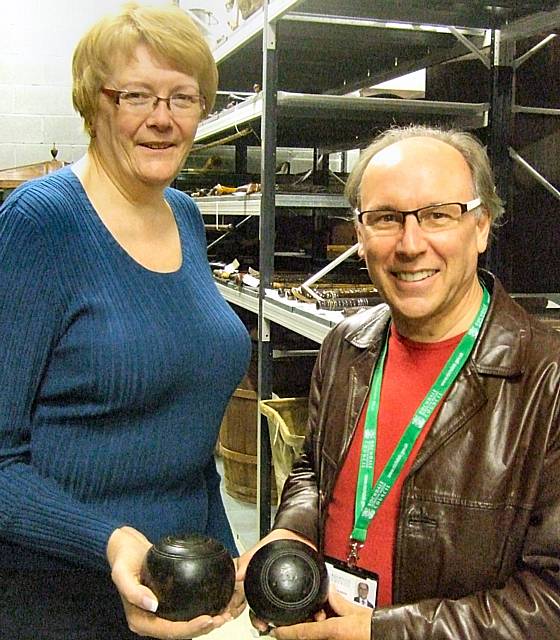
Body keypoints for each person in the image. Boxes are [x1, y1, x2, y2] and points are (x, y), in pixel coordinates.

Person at [239, 125, 560, 639]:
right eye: (386, 218)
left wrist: (384, 633)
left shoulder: (546, 379)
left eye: (438, 215)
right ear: (360, 233)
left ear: (481, 226)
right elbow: (313, 472)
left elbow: (551, 601)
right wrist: (294, 531)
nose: (411, 245)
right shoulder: (348, 345)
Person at [0, 4, 251, 639]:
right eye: (136, 95)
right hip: (60, 600)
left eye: (183, 97)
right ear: (94, 103)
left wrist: (224, 569)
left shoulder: (187, 217)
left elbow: (188, 439)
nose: (162, 119)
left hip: (181, 593)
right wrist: (108, 542)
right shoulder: (40, 224)